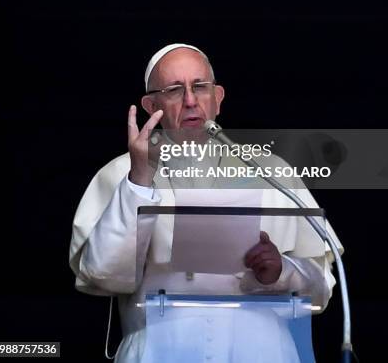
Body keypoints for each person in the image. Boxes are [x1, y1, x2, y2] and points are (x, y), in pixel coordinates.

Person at [69, 43, 343, 363]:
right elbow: (101, 276)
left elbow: (323, 288)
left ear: (218, 98)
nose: (189, 100)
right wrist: (139, 181)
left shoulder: (272, 171)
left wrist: (282, 271)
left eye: (200, 87)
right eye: (174, 90)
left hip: (263, 351)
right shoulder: (120, 173)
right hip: (159, 350)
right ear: (150, 104)